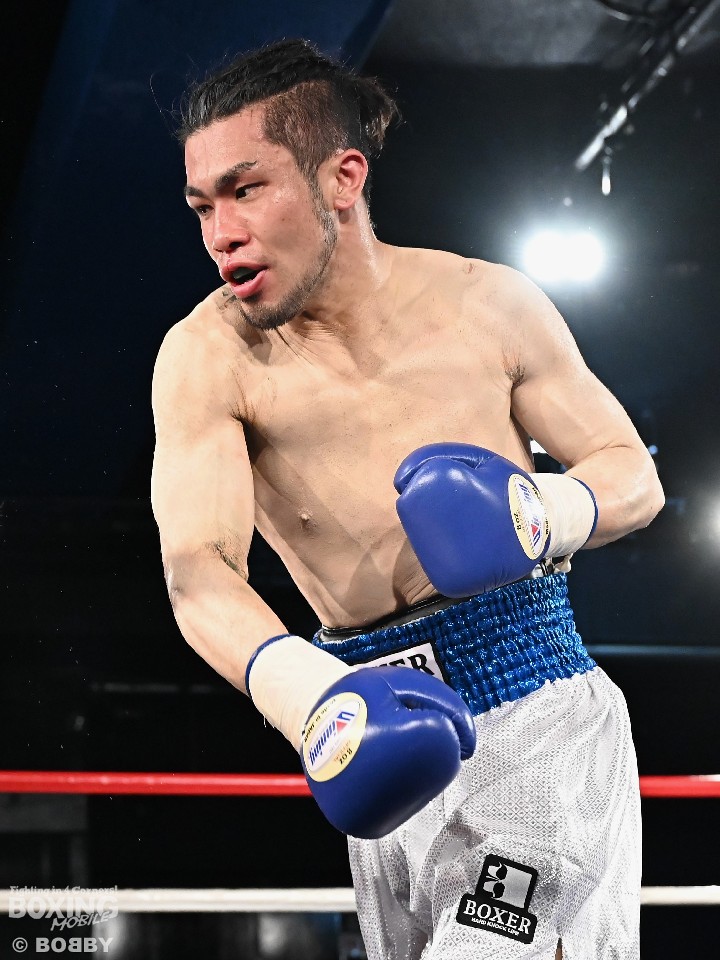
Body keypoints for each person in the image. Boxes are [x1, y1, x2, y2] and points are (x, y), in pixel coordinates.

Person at [151, 38, 664, 960]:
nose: (220, 233)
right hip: (376, 750)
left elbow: (632, 472)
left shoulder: (486, 304)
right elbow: (198, 572)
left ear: (341, 177)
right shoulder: (205, 358)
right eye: (202, 207)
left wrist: (538, 514)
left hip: (535, 720)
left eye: (246, 190)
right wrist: (314, 699)